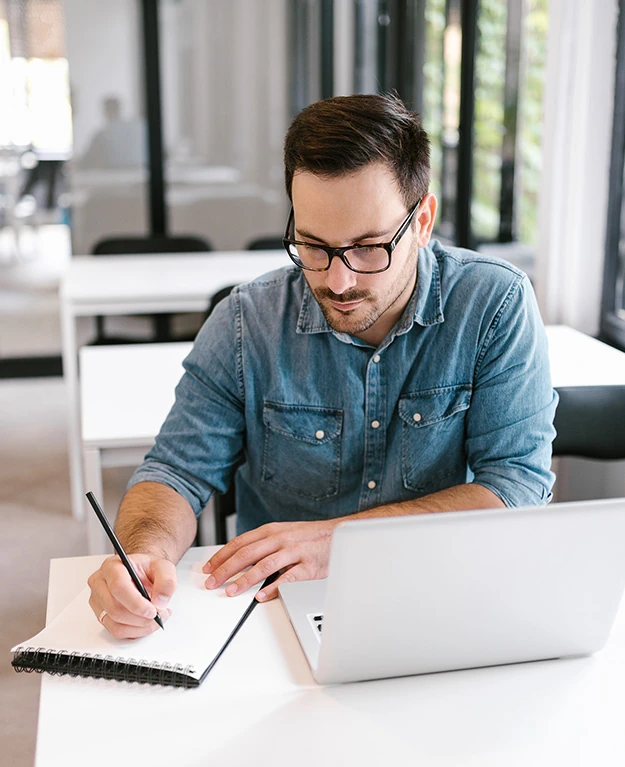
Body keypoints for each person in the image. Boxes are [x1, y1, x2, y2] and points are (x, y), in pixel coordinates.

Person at [88, 93, 557, 639]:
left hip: (447, 592)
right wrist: (142, 555)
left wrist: (343, 540)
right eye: (313, 246)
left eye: (368, 248)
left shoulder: (494, 305)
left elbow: (517, 487)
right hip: (282, 608)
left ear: (423, 220)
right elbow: (174, 472)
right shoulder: (245, 323)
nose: (338, 282)